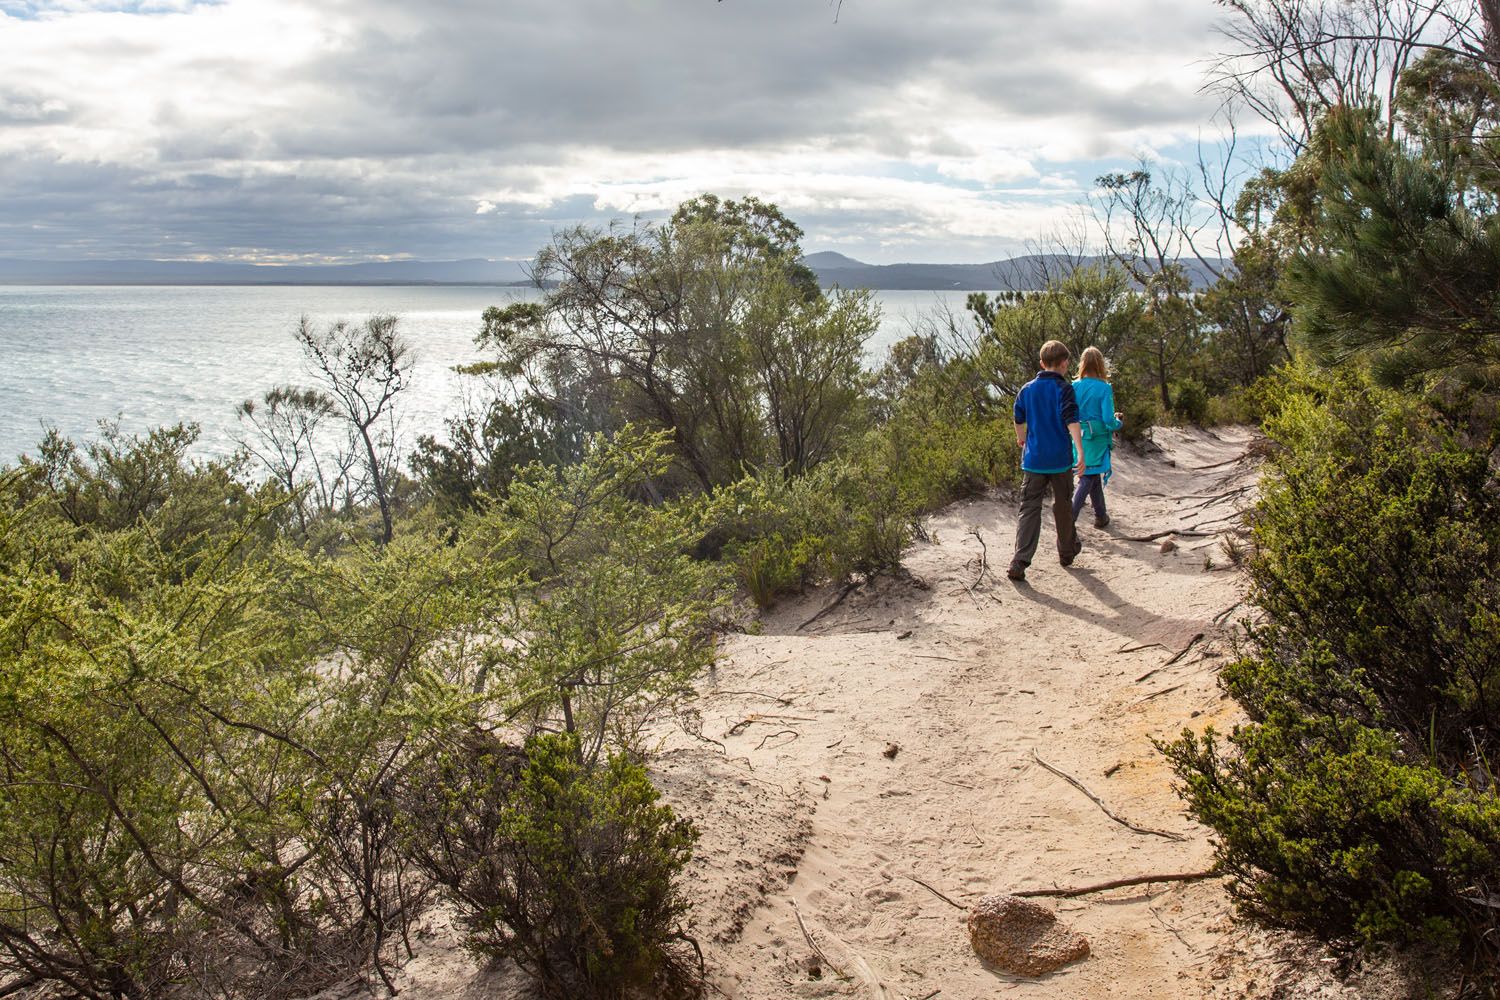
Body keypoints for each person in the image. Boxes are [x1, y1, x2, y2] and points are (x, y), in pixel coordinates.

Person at [1007, 340, 1086, 583]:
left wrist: (1022, 440)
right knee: (1062, 504)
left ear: (1042, 363)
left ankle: (1020, 561)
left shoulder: (1027, 389)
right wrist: (1080, 452)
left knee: (1029, 508)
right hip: (1060, 459)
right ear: (1065, 364)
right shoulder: (1064, 389)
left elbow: (1018, 419)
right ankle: (1066, 551)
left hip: (1034, 460)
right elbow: (1072, 420)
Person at [1070, 346, 1124, 529]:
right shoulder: (1104, 388)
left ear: (1082, 364)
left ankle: (1101, 516)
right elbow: (1108, 419)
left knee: (1091, 475)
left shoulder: (1074, 386)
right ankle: (1070, 517)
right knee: (1088, 476)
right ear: (1101, 365)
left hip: (1078, 436)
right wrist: (1118, 423)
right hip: (1098, 438)